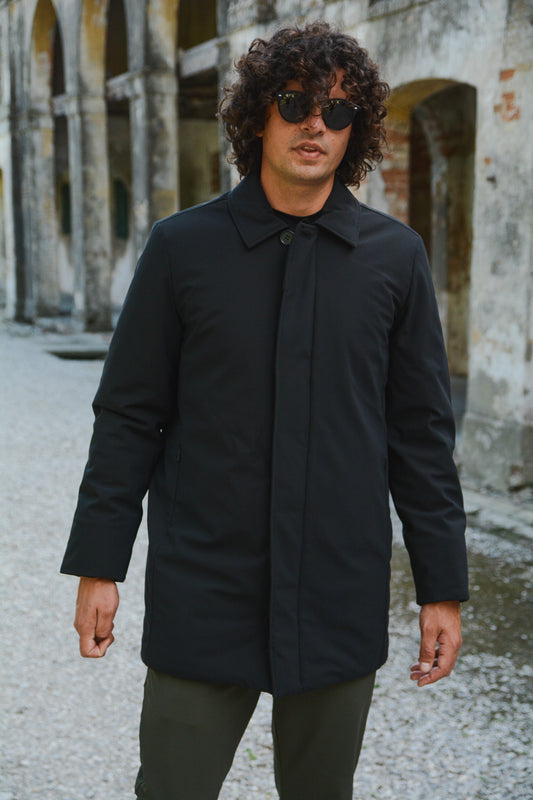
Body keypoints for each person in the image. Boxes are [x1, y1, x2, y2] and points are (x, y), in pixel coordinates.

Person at [61, 21, 468, 800]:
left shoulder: (395, 258)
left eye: (337, 112)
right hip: (203, 590)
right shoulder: (181, 249)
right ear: (257, 117)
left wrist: (440, 588)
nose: (316, 124)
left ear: (355, 132)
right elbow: (129, 416)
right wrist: (98, 565)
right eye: (294, 103)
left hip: (338, 590)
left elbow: (420, 435)